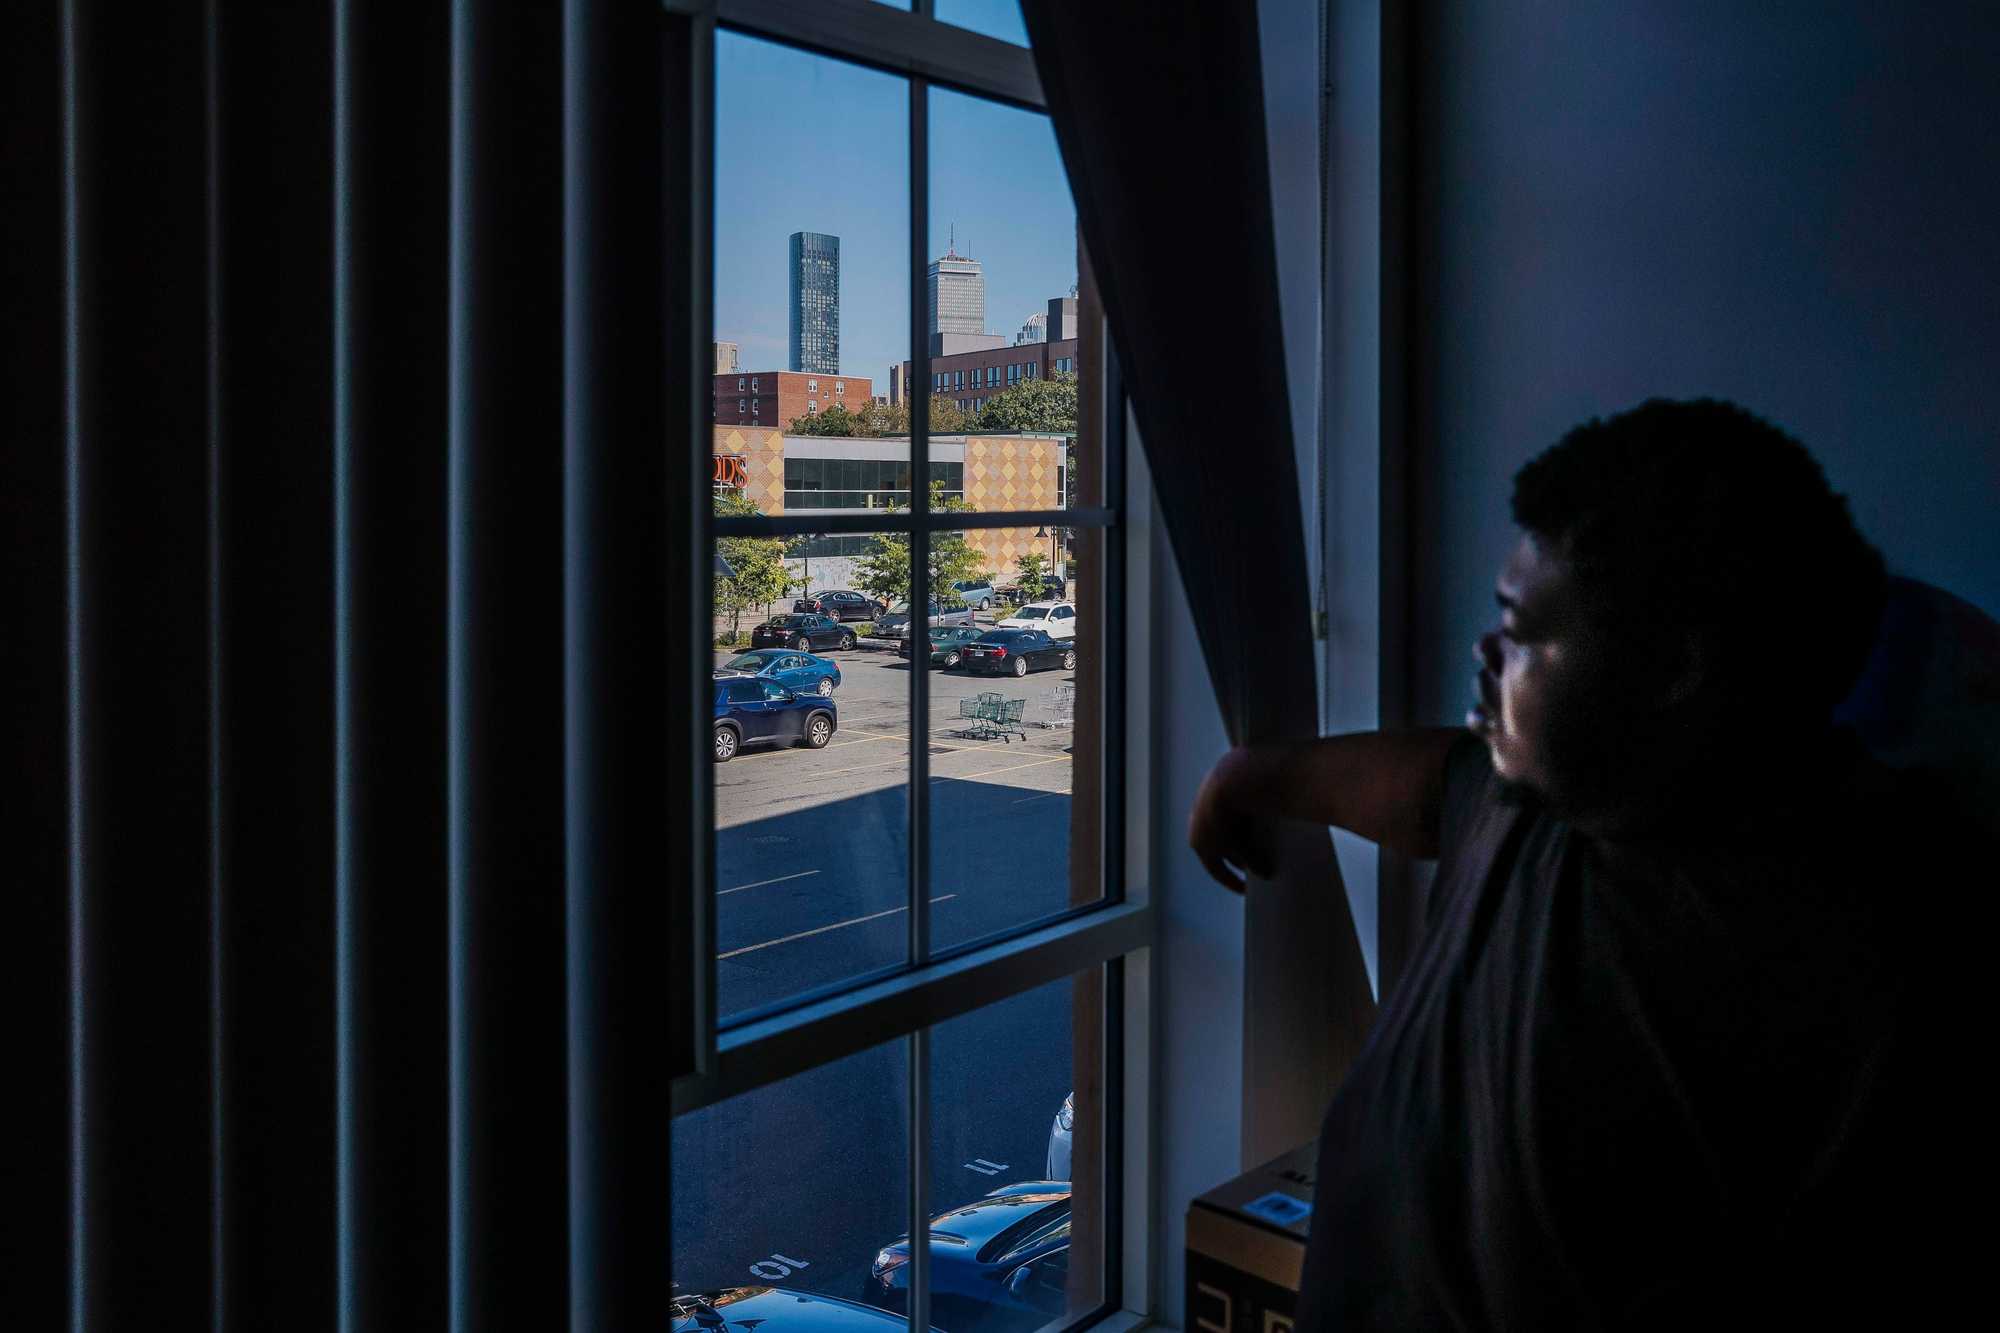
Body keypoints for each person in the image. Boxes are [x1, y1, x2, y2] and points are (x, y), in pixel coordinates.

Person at [1188, 399, 1984, 1329]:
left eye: (1522, 629)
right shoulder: (1557, 786)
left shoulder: (1867, 944)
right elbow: (1427, 788)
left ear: (1672, 665)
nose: (1487, 654)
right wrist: (1255, 772)